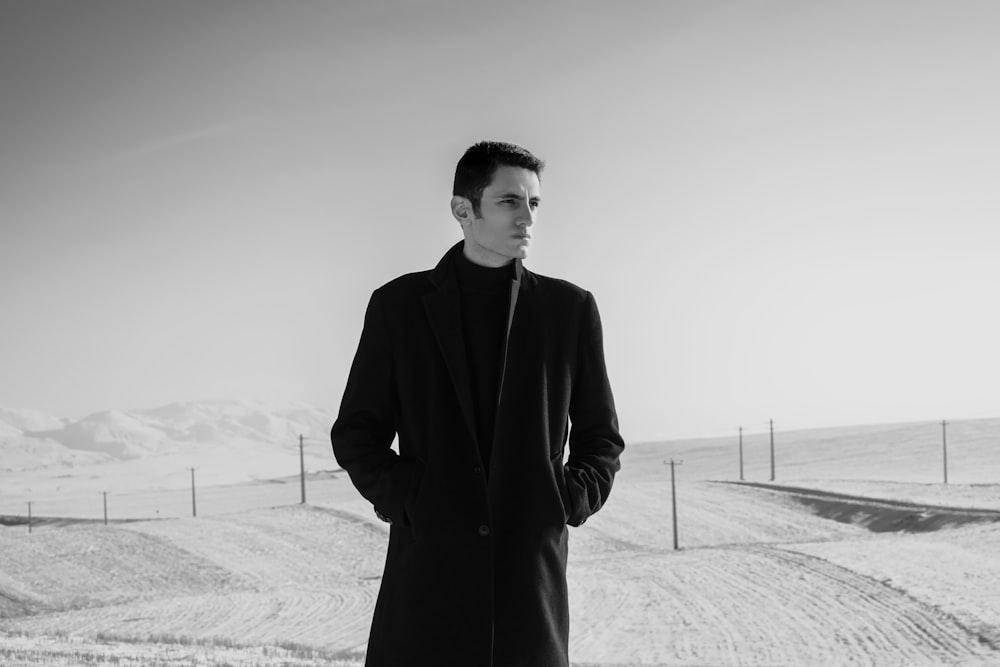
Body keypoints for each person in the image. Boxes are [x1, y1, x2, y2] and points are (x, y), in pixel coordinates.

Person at [331, 140, 624, 666]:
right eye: (510, 202)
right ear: (462, 210)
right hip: (428, 579)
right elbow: (356, 432)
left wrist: (566, 500)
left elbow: (601, 437)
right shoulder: (398, 307)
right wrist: (410, 501)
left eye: (534, 204)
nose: (526, 219)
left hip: (528, 581)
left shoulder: (569, 309)